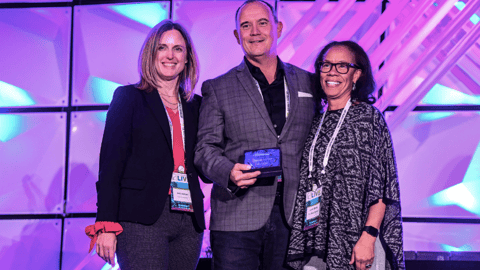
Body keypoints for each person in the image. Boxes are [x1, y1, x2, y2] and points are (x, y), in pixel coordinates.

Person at [194, 1, 315, 269]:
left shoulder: (309, 83)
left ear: (278, 28)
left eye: (262, 23)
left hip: (293, 216)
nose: (254, 31)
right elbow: (204, 151)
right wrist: (228, 171)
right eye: (245, 26)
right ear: (237, 36)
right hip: (236, 217)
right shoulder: (218, 87)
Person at [85, 20, 206, 270]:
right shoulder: (129, 97)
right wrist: (105, 226)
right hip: (142, 219)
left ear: (187, 58)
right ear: (151, 54)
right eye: (162, 47)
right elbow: (110, 166)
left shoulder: (197, 105)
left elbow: (205, 159)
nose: (170, 55)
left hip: (188, 220)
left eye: (178, 49)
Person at [286, 41, 405, 270]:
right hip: (317, 242)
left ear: (356, 74)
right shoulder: (317, 121)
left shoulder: (368, 119)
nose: (332, 72)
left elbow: (381, 186)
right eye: (326, 65)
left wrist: (368, 236)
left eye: (342, 66)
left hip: (357, 244)